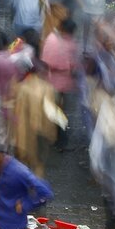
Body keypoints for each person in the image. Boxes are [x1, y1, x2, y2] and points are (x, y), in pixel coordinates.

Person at [9, 61, 59, 176]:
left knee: (23, 163)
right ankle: (35, 188)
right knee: (38, 164)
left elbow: (15, 112)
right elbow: (51, 114)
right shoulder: (48, 88)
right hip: (41, 134)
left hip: (23, 134)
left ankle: (25, 186)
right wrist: (52, 134)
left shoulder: (21, 87)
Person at [40, 19, 78, 151]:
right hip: (63, 85)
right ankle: (60, 140)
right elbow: (73, 66)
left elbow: (46, 62)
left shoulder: (52, 40)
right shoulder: (71, 43)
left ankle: (58, 140)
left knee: (55, 113)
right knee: (59, 112)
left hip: (53, 84)